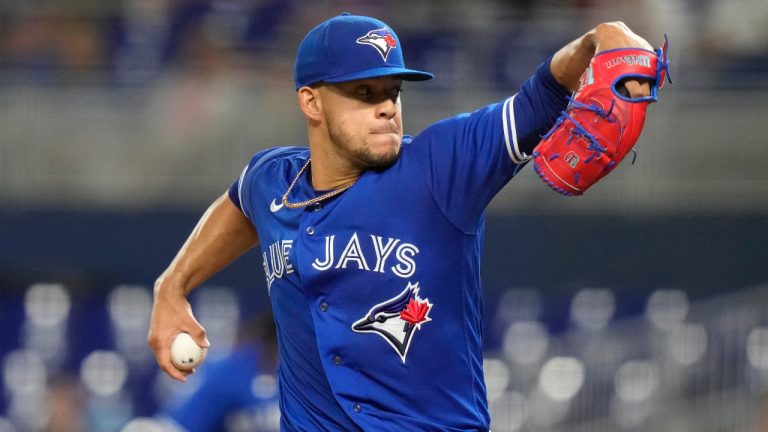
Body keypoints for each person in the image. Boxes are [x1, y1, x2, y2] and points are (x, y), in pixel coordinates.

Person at [148, 12, 655, 431]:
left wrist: (599, 39)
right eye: (364, 93)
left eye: (393, 92)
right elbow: (239, 205)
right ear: (311, 101)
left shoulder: (441, 168)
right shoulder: (272, 180)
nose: (387, 108)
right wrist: (173, 286)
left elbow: (541, 95)